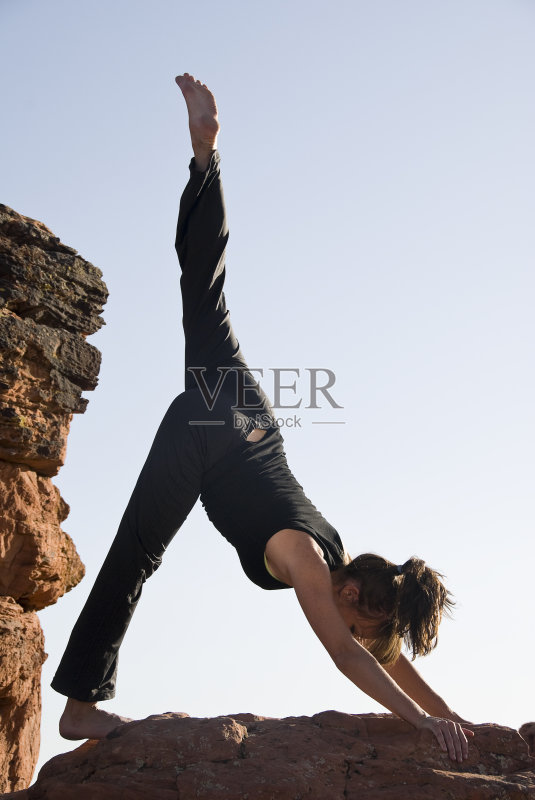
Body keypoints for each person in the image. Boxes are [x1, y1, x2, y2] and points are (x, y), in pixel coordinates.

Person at [52, 73, 474, 763]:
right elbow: (346, 655)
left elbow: (386, 656)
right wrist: (422, 727)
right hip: (213, 440)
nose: (351, 613)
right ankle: (79, 705)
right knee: (137, 553)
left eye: (361, 614)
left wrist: (450, 717)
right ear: (356, 586)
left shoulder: (343, 565)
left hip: (244, 412)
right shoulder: (312, 562)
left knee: (206, 294)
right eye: (359, 607)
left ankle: (204, 158)